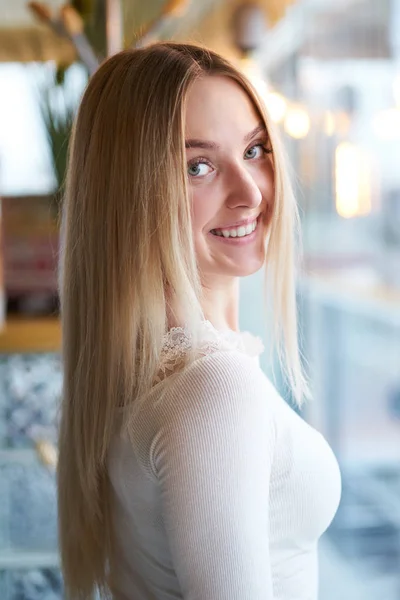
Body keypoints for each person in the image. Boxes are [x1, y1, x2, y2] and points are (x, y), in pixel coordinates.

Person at [57, 42, 342, 600]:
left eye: (255, 149)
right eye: (199, 166)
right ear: (130, 194)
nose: (251, 192)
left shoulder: (138, 369)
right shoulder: (214, 390)